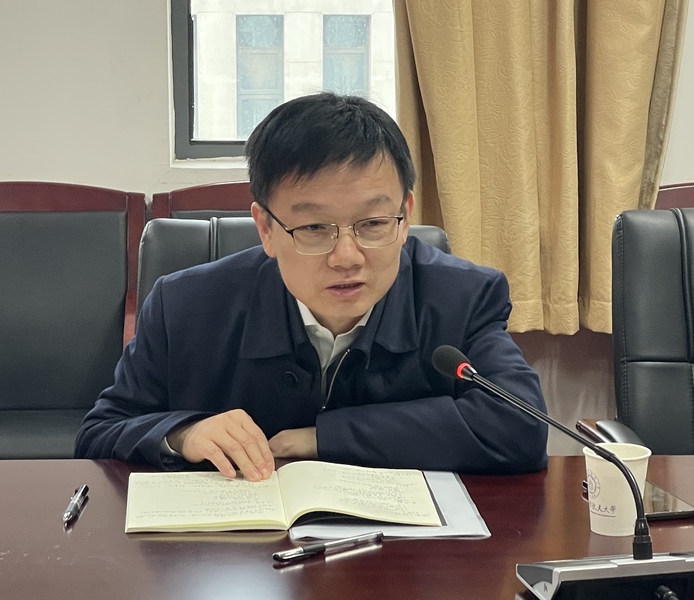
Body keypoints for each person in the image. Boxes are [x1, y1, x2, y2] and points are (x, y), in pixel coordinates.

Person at [75, 92, 548, 478]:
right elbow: (99, 434)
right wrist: (183, 434)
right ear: (265, 228)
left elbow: (520, 426)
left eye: (373, 223)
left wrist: (324, 437)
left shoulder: (464, 299)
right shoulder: (185, 305)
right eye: (314, 228)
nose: (347, 257)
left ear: (405, 216)